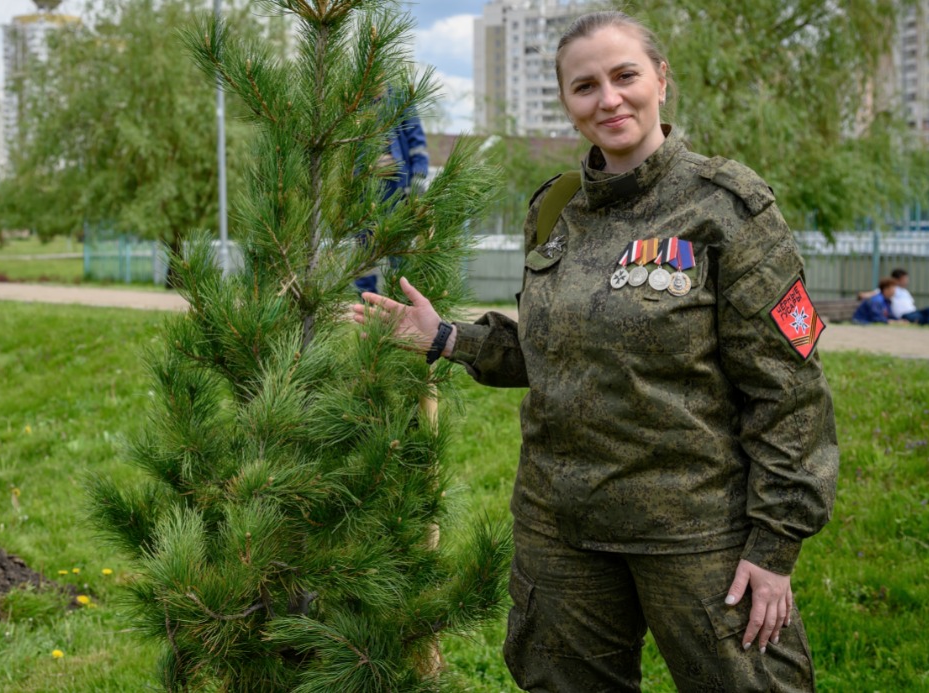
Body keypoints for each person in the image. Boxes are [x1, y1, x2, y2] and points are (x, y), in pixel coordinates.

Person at [353, 11, 838, 691]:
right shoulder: (554, 210)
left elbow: (788, 391)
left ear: (660, 80)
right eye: (585, 86)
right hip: (562, 531)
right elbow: (550, 351)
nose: (608, 98)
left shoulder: (727, 209)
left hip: (696, 535)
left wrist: (774, 545)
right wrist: (446, 337)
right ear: (567, 103)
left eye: (625, 76)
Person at [354, 94, 429, 295]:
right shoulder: (356, 99)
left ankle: (402, 306)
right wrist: (369, 166)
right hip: (364, 193)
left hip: (397, 191)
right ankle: (368, 309)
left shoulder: (400, 99)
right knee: (364, 255)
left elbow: (417, 142)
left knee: (399, 252)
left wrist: (418, 183)